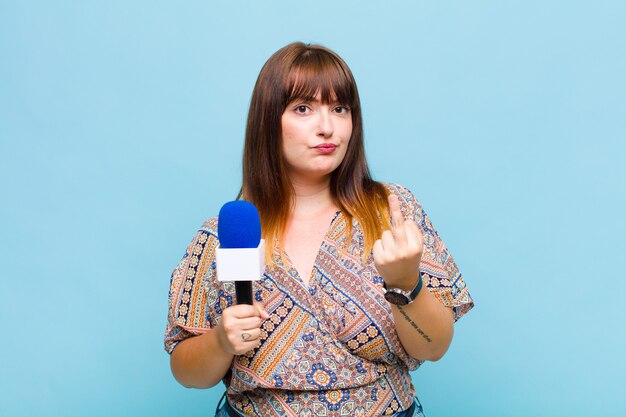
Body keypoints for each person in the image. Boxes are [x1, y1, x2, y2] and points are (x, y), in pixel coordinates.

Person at [164, 42, 474, 417]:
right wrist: (221, 342)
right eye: (303, 109)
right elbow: (186, 372)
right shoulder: (228, 231)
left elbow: (433, 347)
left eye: (340, 109)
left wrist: (407, 283)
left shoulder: (391, 213)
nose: (327, 127)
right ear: (268, 120)